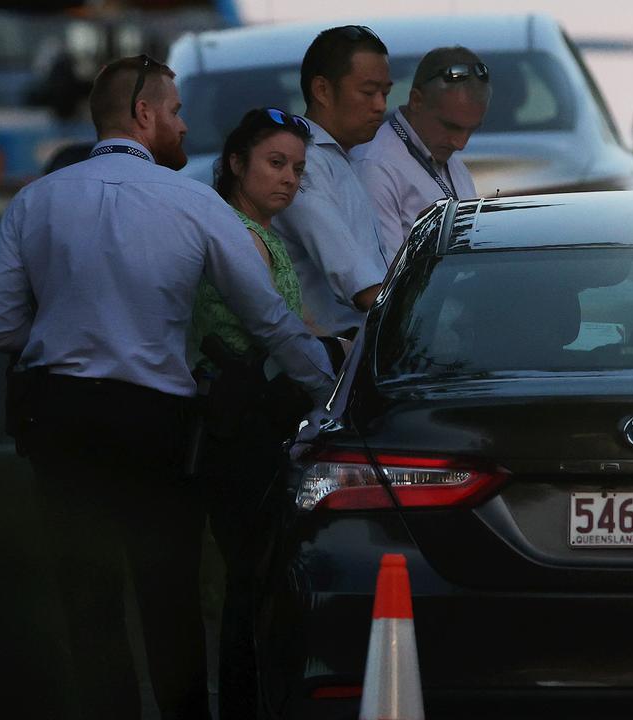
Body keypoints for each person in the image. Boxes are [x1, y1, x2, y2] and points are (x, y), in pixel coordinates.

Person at [0, 55, 335, 720]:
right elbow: (269, 317)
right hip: (153, 420)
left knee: (89, 595)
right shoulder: (192, 200)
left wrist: (56, 336)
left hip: (59, 416)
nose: (184, 125)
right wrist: (330, 393)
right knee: (167, 591)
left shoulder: (37, 199)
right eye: (175, 112)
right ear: (144, 115)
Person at [190, 107, 315, 720]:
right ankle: (243, 702)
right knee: (250, 576)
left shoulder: (263, 233)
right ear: (236, 163)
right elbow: (272, 330)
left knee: (260, 576)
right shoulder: (233, 233)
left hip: (259, 418)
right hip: (238, 425)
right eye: (275, 163)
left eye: (297, 168)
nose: (290, 178)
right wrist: (328, 374)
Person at [274, 25, 393, 337]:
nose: (381, 105)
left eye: (385, 94)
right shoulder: (304, 162)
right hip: (330, 361)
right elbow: (360, 283)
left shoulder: (339, 156)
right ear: (322, 91)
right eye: (368, 93)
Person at [354, 46, 490, 250]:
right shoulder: (375, 167)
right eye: (450, 126)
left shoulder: (455, 167)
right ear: (416, 100)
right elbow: (386, 277)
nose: (460, 144)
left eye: (471, 130)